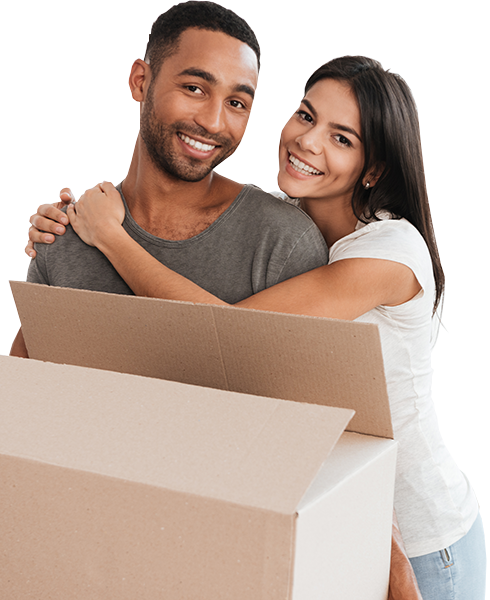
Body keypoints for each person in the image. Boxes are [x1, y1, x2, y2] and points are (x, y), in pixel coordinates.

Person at [0, 2, 428, 596]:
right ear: (140, 80)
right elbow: (15, 417)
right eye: (193, 87)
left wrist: (387, 565)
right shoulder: (66, 243)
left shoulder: (282, 240)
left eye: (237, 101)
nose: (212, 120)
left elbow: (330, 436)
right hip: (97, 564)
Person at [28, 55, 488, 599]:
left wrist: (111, 237)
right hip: (339, 521)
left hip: (421, 540)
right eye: (305, 115)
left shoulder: (389, 255)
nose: (307, 141)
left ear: (374, 169)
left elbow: (230, 337)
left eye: (341, 138)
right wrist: (64, 228)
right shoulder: (286, 223)